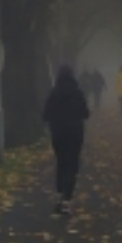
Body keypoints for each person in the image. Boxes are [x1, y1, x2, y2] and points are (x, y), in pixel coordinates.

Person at [41, 65, 91, 214]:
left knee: (61, 163)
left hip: (58, 133)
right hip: (75, 133)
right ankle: (67, 200)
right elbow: (85, 113)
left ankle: (59, 194)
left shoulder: (54, 93)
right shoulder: (77, 93)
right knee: (72, 165)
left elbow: (45, 115)